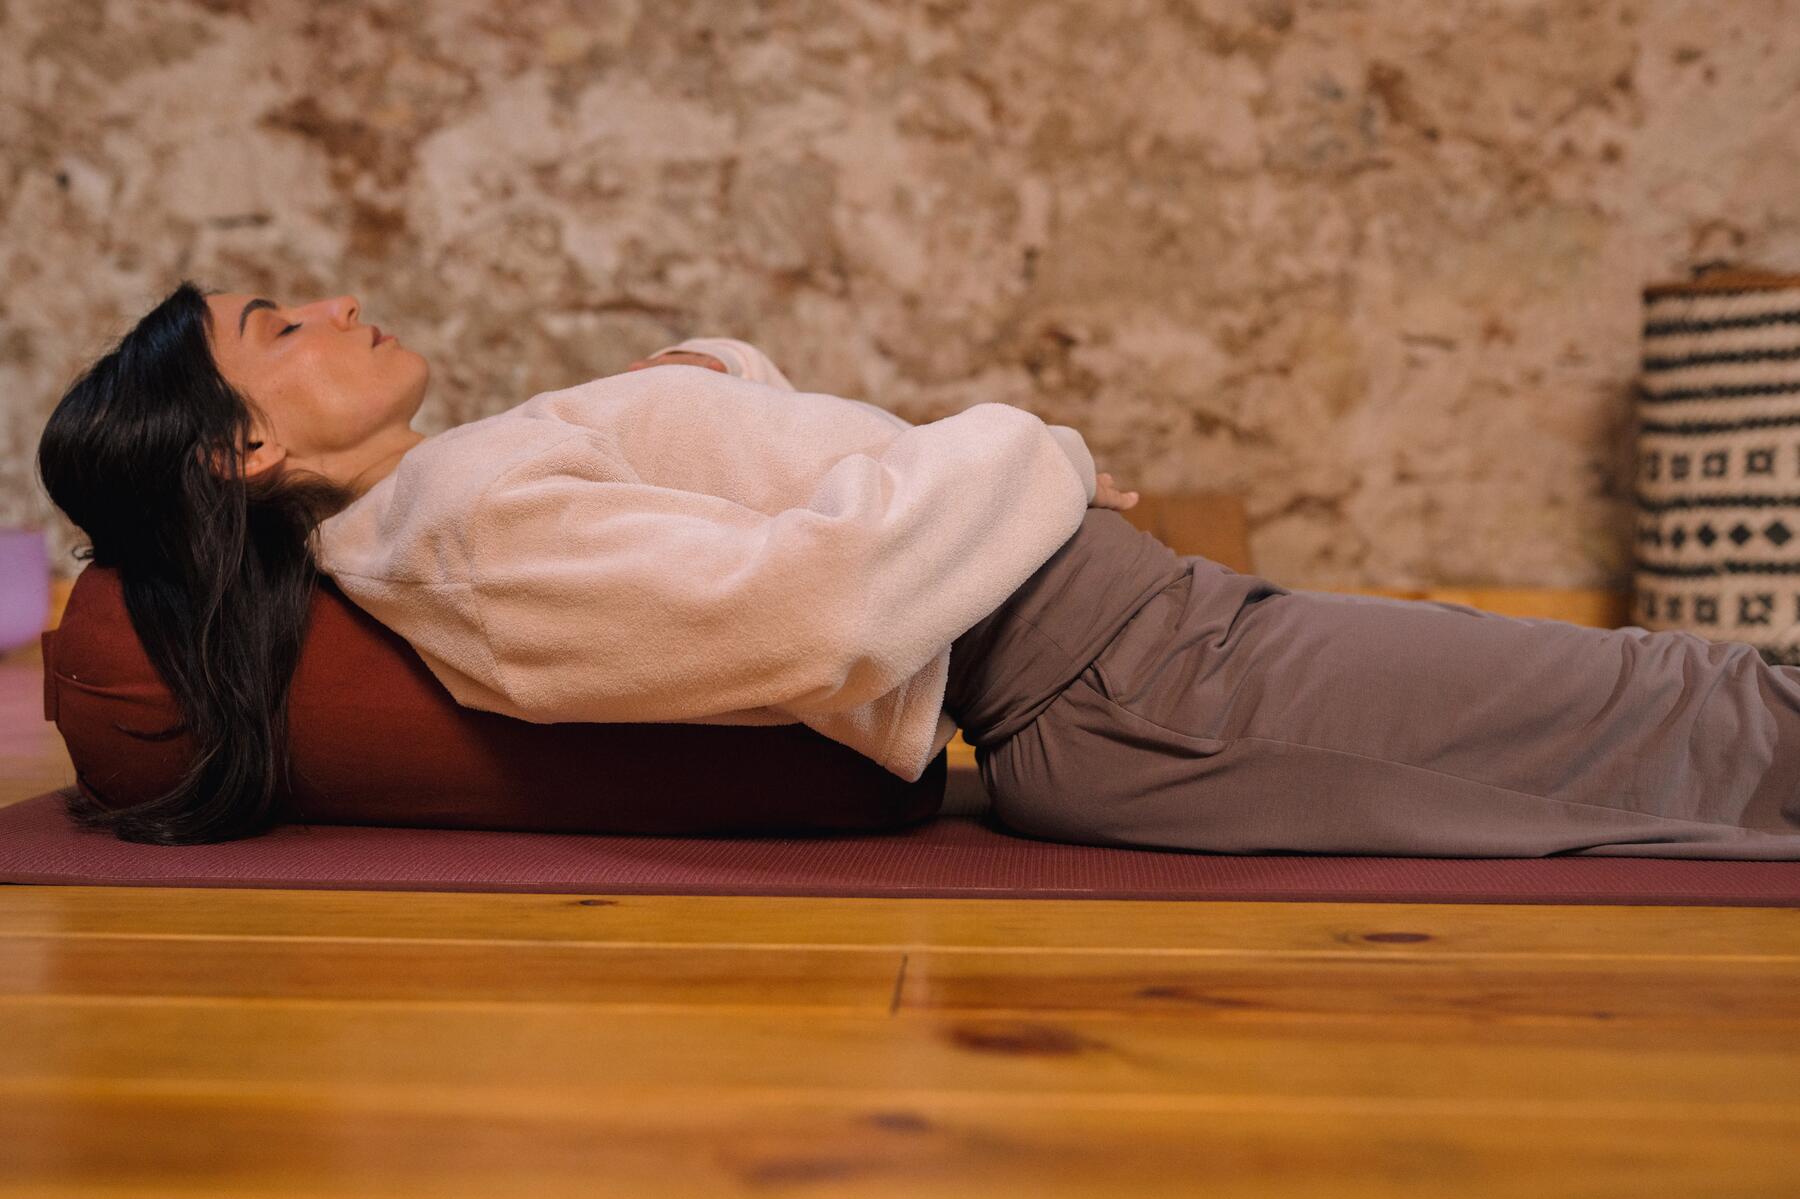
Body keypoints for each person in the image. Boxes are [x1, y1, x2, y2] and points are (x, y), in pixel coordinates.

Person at [36, 282, 1800, 858]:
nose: (336, 304)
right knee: (1693, 719)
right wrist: (1027, 446)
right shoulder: (459, 537)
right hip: (1128, 684)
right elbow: (824, 614)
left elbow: (749, 504)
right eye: (279, 327)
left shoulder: (456, 492)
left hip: (1145, 645)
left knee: (1673, 719)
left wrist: (698, 384)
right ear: (241, 451)